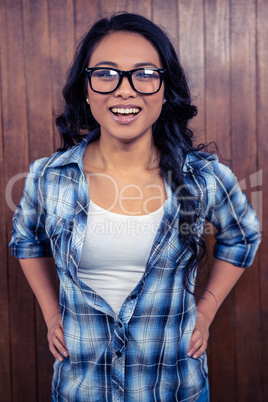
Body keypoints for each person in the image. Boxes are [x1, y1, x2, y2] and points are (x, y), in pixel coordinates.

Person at [9, 12, 261, 402]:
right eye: (106, 73)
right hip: (81, 390)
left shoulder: (203, 178)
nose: (125, 90)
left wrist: (206, 311)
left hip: (177, 388)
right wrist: (51, 313)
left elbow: (244, 236)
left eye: (144, 73)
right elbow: (25, 240)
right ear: (86, 89)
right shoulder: (49, 177)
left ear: (165, 89)